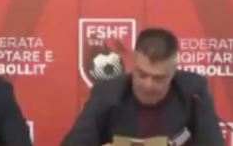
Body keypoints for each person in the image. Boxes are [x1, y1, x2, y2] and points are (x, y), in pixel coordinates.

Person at [62, 27, 225, 145]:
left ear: (174, 71)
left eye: (159, 78)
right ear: (133, 60)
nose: (148, 85)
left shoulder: (193, 92)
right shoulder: (107, 93)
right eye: (142, 74)